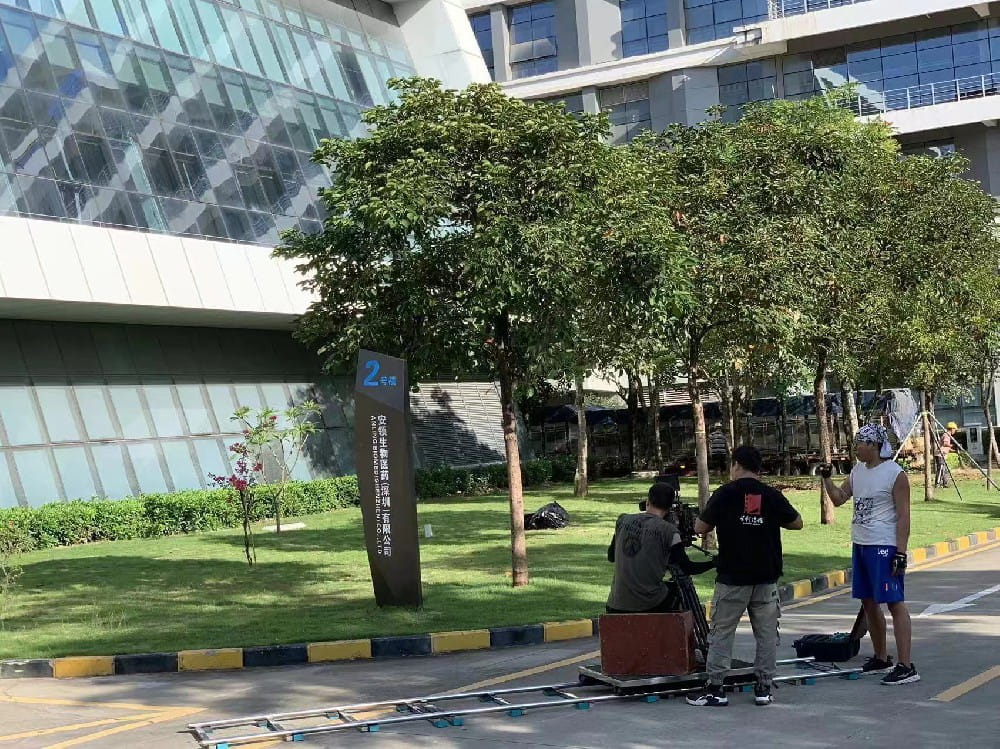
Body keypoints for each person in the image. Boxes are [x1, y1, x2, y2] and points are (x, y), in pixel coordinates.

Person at [687, 446, 803, 708]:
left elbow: (700, 527)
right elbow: (797, 522)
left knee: (722, 632)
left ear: (737, 465)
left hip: (733, 576)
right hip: (766, 576)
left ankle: (716, 688)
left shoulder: (725, 493)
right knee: (766, 634)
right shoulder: (771, 495)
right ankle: (763, 687)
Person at [819, 423, 919, 686]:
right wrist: (826, 478)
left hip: (884, 545)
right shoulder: (857, 471)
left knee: (894, 602)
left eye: (860, 444)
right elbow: (839, 498)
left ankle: (906, 665)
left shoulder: (895, 474)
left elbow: (904, 516)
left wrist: (901, 552)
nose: (856, 448)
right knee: (868, 602)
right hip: (861, 543)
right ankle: (881, 657)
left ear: (874, 445)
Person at [606, 483, 715, 614]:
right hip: (649, 604)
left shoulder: (623, 520)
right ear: (669, 507)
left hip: (615, 604)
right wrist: (714, 563)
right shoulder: (669, 531)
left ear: (648, 501)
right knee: (676, 592)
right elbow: (687, 568)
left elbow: (611, 557)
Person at [935, 422, 959, 488]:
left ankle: (945, 483)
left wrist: (952, 450)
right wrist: (952, 445)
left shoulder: (947, 435)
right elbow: (945, 444)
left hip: (943, 455)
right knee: (941, 469)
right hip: (940, 454)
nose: (955, 431)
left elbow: (945, 446)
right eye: (955, 429)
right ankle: (938, 483)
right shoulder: (947, 435)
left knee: (945, 470)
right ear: (952, 429)